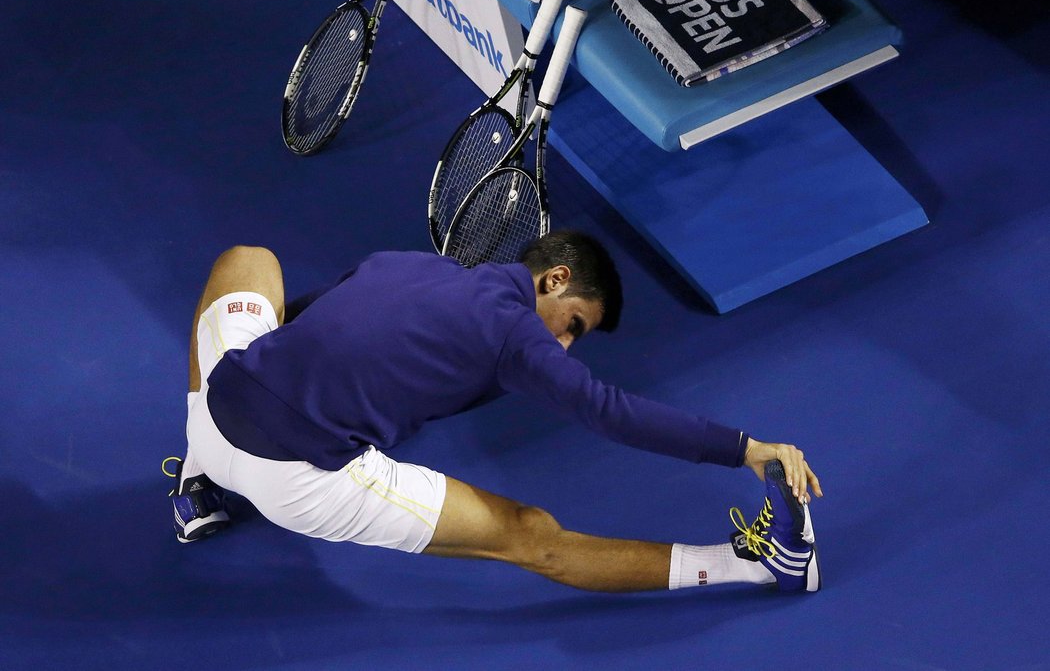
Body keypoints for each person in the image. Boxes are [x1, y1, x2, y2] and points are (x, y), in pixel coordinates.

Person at [166, 231, 823, 593]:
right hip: (300, 482)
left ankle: (197, 484)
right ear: (556, 278)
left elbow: (308, 320)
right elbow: (610, 412)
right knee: (533, 537)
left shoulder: (405, 263)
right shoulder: (515, 335)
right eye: (573, 325)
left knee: (248, 260)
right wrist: (744, 448)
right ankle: (756, 564)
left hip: (217, 415)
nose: (563, 345)